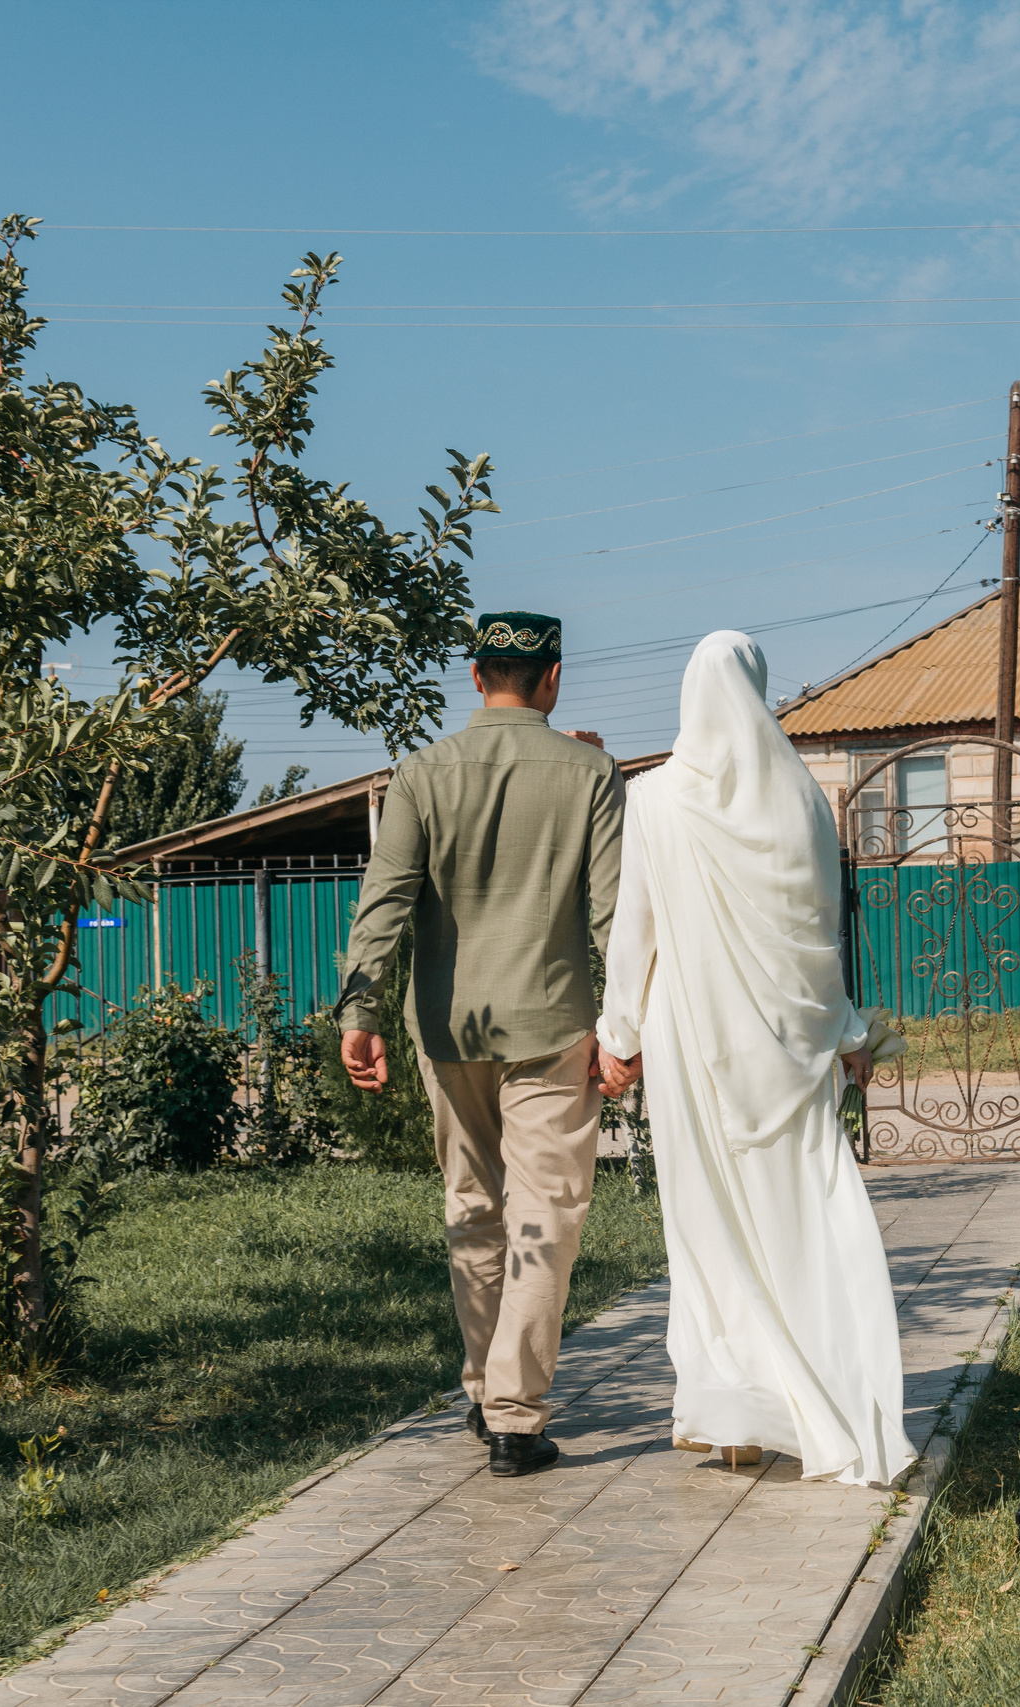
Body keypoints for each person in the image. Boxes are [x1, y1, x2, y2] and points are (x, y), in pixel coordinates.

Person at [595, 631, 914, 1487]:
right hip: (788, 1046)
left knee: (709, 1227)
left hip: (694, 1043)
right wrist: (848, 1036)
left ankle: (733, 1413)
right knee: (807, 1214)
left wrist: (617, 1037)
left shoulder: (653, 800)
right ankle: (833, 1395)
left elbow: (638, 931)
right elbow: (822, 938)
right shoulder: (804, 800)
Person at [333, 610, 626, 1478]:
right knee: (547, 1214)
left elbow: (384, 901)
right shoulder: (591, 774)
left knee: (473, 1205)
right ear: (554, 677)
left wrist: (361, 1012)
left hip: (448, 1029)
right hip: (551, 1026)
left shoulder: (422, 774)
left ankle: (482, 1383)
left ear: (474, 676)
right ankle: (513, 1414)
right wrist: (629, 1029)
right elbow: (613, 913)